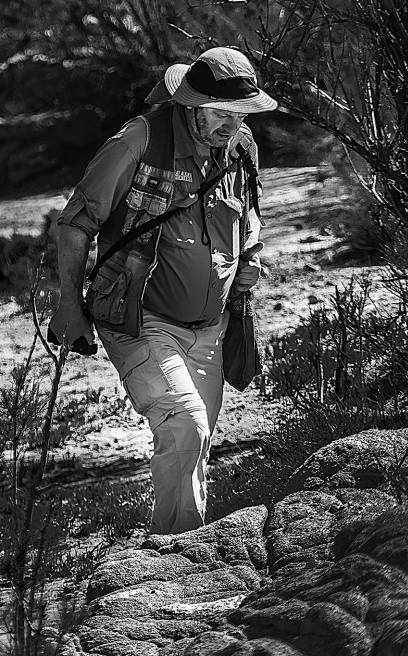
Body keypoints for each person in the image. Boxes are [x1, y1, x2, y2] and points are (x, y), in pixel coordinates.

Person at [48, 46, 277, 535]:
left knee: (193, 443)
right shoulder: (138, 141)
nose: (230, 125)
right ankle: (179, 556)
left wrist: (250, 257)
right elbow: (74, 223)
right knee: (185, 425)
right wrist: (68, 305)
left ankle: (174, 551)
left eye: (240, 114)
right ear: (191, 106)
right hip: (139, 318)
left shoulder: (240, 146)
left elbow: (250, 214)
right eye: (220, 113)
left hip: (213, 325)